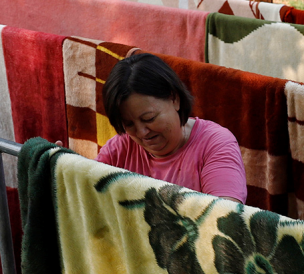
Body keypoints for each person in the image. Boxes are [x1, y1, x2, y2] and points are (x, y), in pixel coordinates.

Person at [98, 52, 248, 203]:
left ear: (174, 99)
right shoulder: (119, 150)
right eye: (129, 124)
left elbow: (225, 213)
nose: (142, 132)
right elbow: (88, 197)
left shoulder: (215, 145)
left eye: (149, 118)